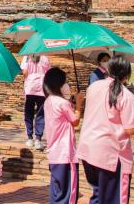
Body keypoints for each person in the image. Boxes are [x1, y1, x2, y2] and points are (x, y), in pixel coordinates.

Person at [76, 55, 134, 204]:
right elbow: (130, 129)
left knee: (98, 194)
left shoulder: (93, 87)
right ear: (127, 74)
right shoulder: (126, 96)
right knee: (113, 198)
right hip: (110, 154)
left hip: (88, 149)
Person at [44, 67, 85, 204]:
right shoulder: (62, 103)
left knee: (57, 192)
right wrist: (79, 105)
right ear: (59, 85)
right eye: (65, 82)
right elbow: (75, 121)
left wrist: (72, 103)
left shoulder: (49, 101)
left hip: (54, 153)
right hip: (66, 154)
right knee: (68, 194)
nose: (67, 85)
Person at [21, 54, 50, 149]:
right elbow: (48, 73)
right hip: (42, 89)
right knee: (41, 114)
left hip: (30, 88)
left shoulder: (26, 58)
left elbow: (24, 72)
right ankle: (38, 139)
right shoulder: (45, 58)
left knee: (28, 113)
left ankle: (30, 138)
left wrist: (25, 79)